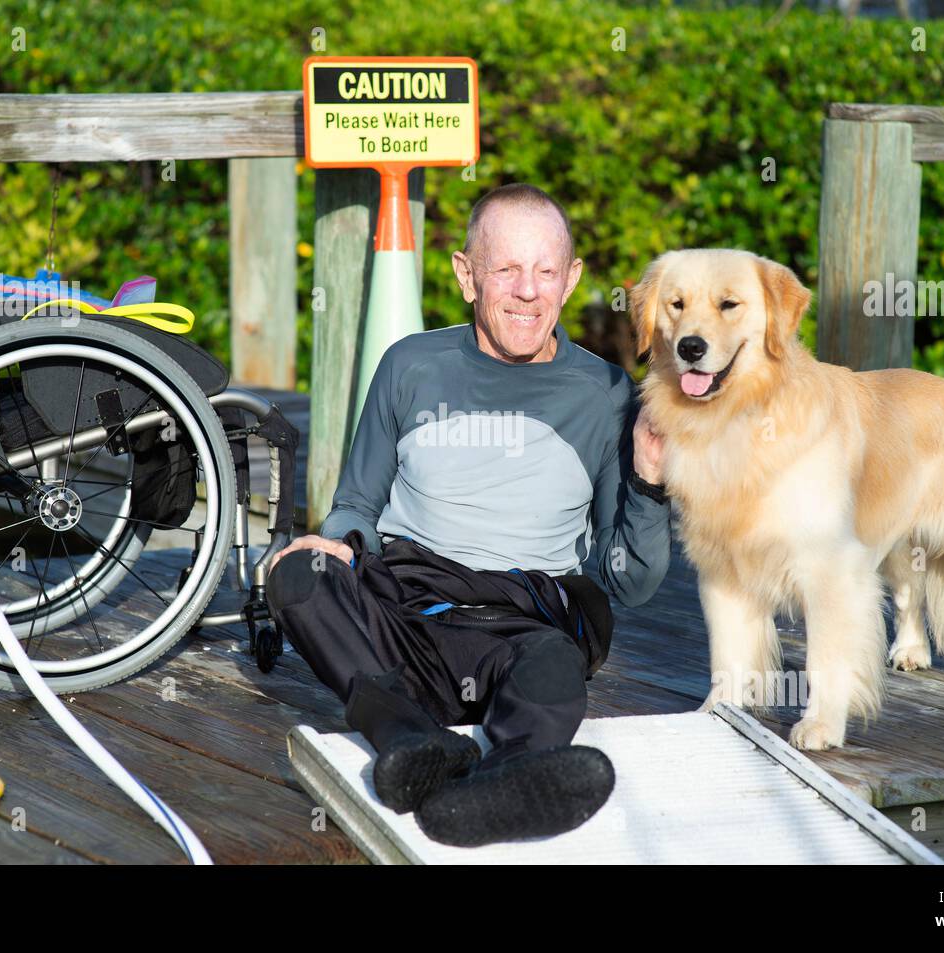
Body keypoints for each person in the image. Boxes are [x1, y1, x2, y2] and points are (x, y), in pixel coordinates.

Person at [266, 183, 671, 847]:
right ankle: (407, 738)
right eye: (506, 268)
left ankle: (507, 778)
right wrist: (331, 542)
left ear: (571, 280)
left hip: (524, 622)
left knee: (556, 660)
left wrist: (651, 483)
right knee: (295, 574)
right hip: (405, 610)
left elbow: (630, 583)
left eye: (545, 270)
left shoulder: (606, 393)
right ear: (466, 274)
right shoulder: (410, 365)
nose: (528, 291)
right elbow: (357, 505)